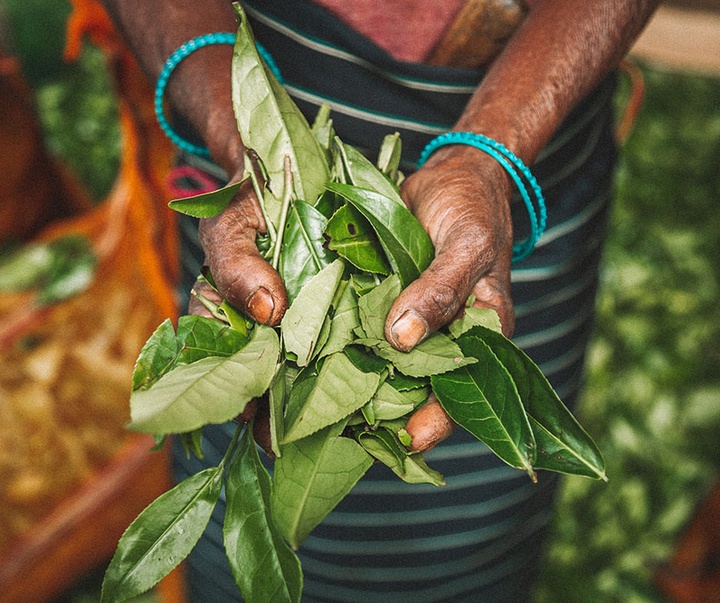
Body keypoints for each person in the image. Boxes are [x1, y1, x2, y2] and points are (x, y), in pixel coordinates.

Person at [101, 1, 658, 601]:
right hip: (257, 163)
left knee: (477, 525)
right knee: (238, 459)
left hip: (526, 119)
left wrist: (489, 158)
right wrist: (238, 137)